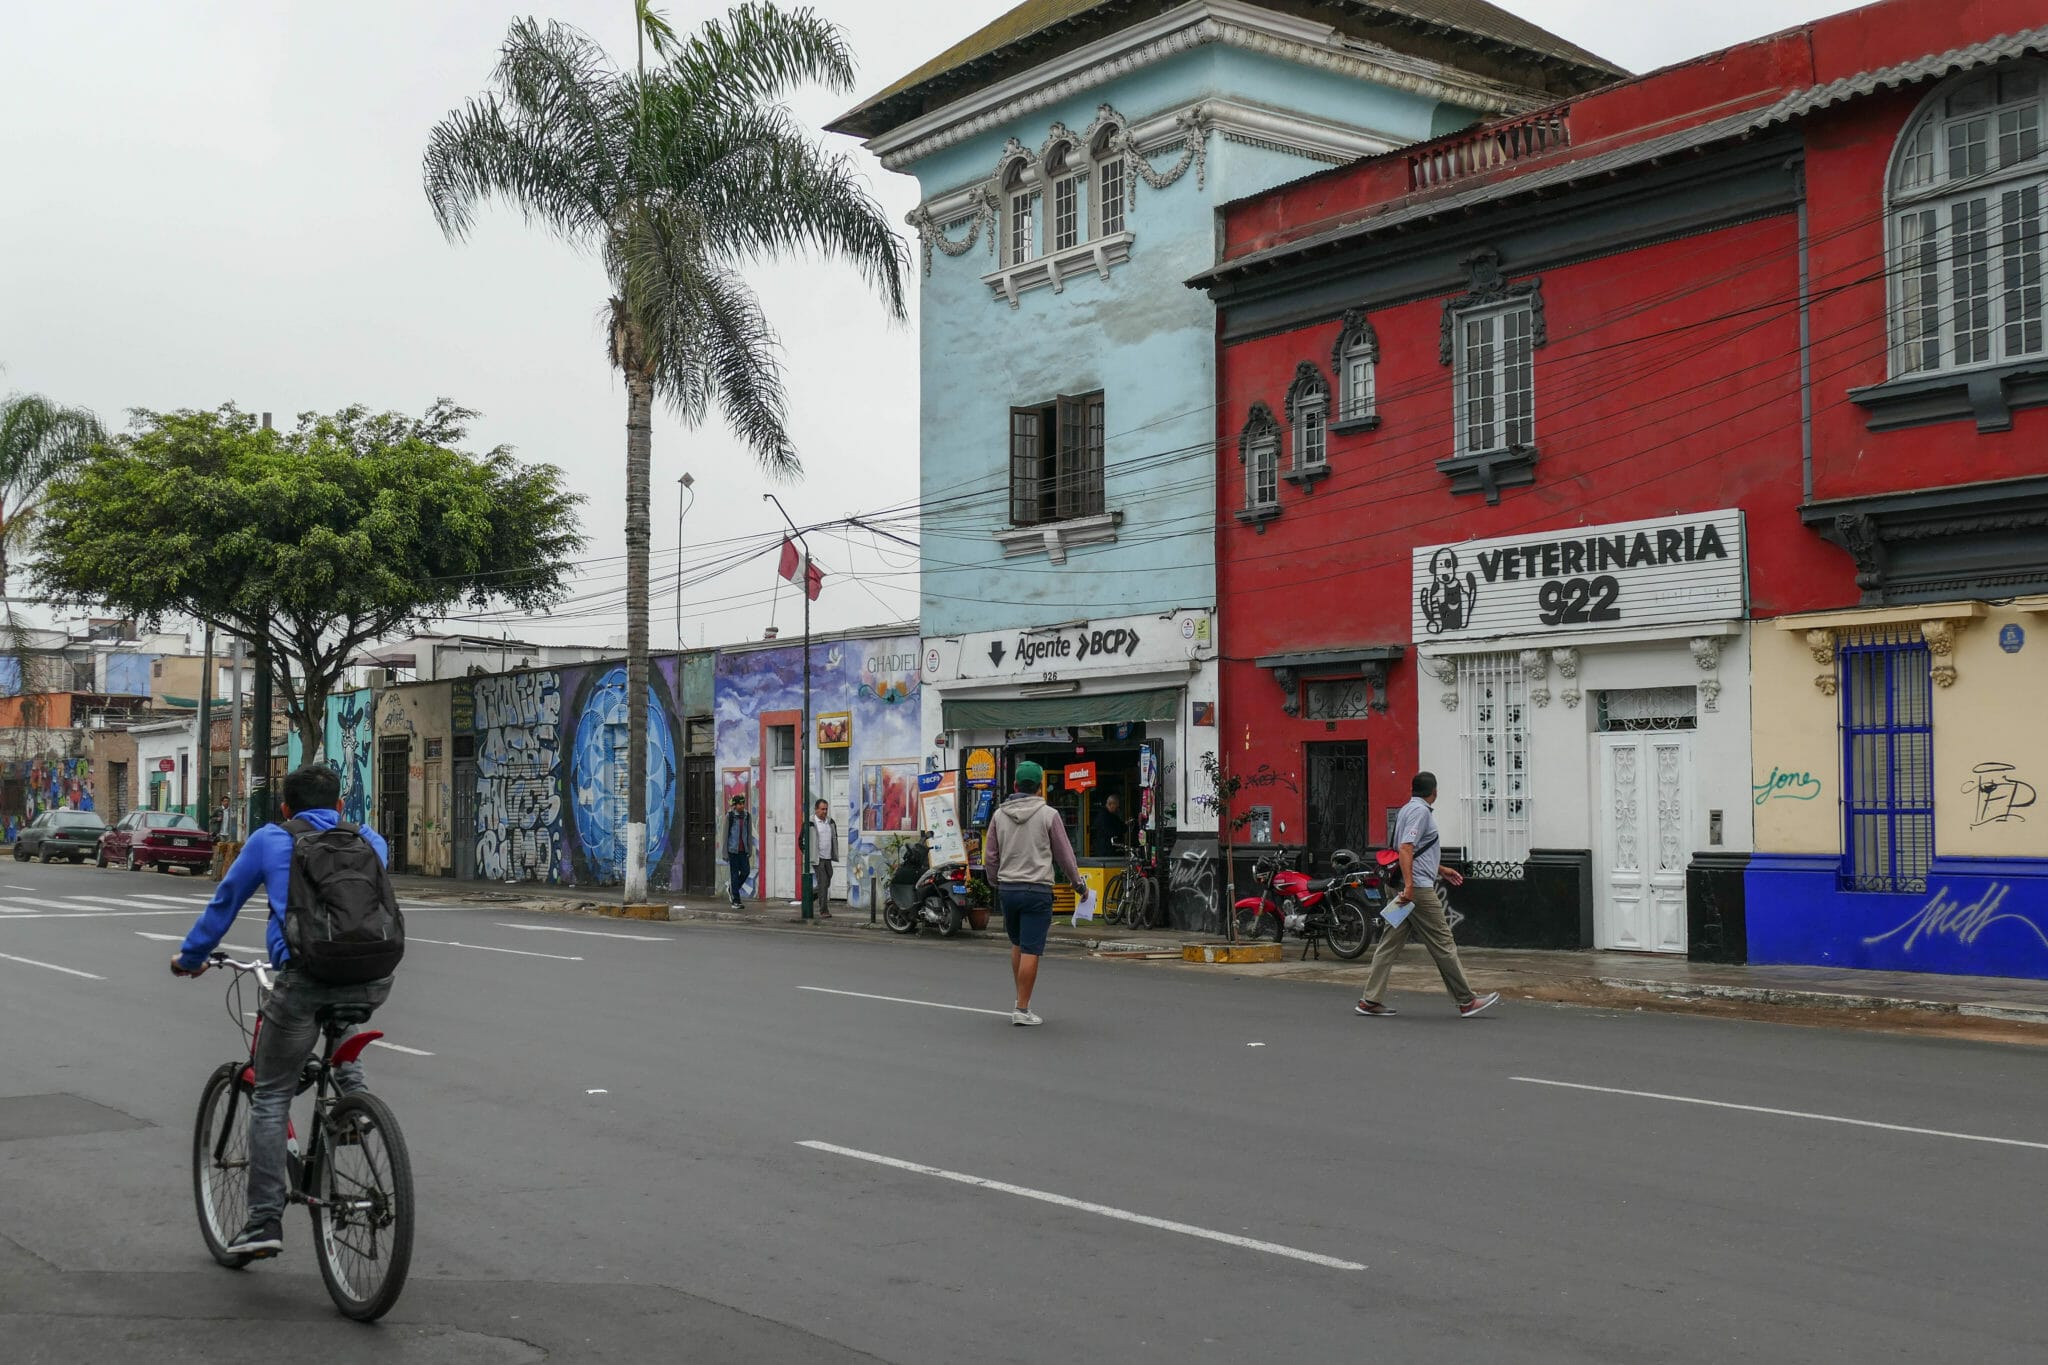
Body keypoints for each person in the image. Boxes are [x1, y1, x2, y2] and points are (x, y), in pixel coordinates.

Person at [169, 762, 393, 1259]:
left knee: (270, 1094)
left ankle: (264, 1219)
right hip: (372, 975)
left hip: (303, 976)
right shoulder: (371, 840)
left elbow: (224, 904)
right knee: (342, 1012)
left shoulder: (271, 840)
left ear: (286, 808)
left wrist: (190, 959)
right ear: (340, 806)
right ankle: (353, 1101)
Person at [1354, 771, 1499, 1019]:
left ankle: (1370, 1000)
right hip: (1417, 891)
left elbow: (1413, 850)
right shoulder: (1421, 812)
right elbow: (1406, 847)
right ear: (1434, 791)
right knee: (1443, 942)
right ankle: (1466, 1001)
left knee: (1389, 943)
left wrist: (1440, 869)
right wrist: (1411, 887)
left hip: (1402, 886)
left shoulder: (1405, 810)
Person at [982, 760, 1086, 1027]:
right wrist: (1078, 886)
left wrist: (996, 882)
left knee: (1017, 944)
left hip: (1008, 890)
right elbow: (1064, 855)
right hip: (1037, 889)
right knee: (1031, 948)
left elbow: (990, 856)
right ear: (1040, 787)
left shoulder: (998, 815)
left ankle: (1019, 1000)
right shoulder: (1049, 815)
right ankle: (1022, 1008)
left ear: (1015, 785)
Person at [805, 797, 839, 919]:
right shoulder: (810, 822)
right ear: (816, 809)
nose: (824, 811)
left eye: (826, 809)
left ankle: (807, 897)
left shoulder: (830, 822)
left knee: (827, 881)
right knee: (823, 882)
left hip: (828, 857)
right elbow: (801, 839)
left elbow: (835, 838)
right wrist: (807, 853)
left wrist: (835, 852)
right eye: (822, 809)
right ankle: (823, 910)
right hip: (817, 858)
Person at [724, 793, 755, 909]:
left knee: (746, 871)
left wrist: (749, 849)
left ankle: (732, 889)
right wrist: (724, 853)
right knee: (734, 875)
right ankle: (735, 900)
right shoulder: (730, 816)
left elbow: (749, 833)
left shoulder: (747, 816)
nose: (742, 806)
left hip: (743, 850)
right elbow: (725, 835)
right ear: (735, 805)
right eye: (740, 804)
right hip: (733, 850)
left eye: (743, 803)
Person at [1090, 793, 1128, 857]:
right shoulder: (1104, 816)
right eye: (1116, 806)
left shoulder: (1108, 815)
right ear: (1110, 804)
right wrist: (1121, 828)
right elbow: (1111, 831)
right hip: (1106, 851)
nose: (1117, 809)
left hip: (1106, 849)